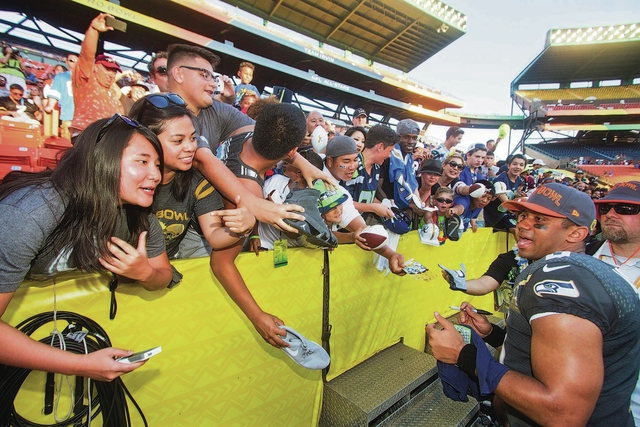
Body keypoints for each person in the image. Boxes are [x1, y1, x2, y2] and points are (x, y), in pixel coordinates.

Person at [427, 183, 640, 427]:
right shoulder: (582, 268)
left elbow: (564, 414)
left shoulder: (560, 276)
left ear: (575, 234)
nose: (523, 225)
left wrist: (462, 355)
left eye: (539, 220)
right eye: (522, 216)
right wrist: (494, 334)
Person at [0, 115, 173, 381]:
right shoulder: (30, 213)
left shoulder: (138, 213)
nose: (156, 175)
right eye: (142, 161)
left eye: (158, 165)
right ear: (100, 160)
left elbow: (163, 273)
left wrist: (144, 274)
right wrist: (80, 365)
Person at [166, 43, 331, 235]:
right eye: (204, 75)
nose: (212, 83)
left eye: (213, 76)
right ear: (178, 74)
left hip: (191, 220)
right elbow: (202, 159)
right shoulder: (159, 111)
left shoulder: (215, 110)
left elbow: (267, 131)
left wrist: (303, 163)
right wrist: (256, 204)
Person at [129, 93, 255, 260]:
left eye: (193, 138)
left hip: (163, 267)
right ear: (147, 140)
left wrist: (242, 228)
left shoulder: (198, 182)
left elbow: (215, 237)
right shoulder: (123, 178)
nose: (190, 147)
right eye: (178, 141)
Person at [322, 135, 406, 271]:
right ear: (330, 161)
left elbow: (363, 230)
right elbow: (315, 234)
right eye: (346, 161)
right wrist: (351, 237)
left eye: (355, 160)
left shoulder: (341, 192)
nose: (353, 166)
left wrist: (390, 254)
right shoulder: (312, 180)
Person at [70, 13, 124, 135]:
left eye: (114, 72)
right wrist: (94, 30)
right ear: (95, 68)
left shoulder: (114, 97)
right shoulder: (86, 81)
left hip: (107, 140)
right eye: (107, 69)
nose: (111, 74)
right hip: (87, 134)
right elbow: (86, 55)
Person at [344, 124, 395, 221]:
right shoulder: (353, 166)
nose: (389, 156)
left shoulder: (376, 167)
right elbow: (344, 202)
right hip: (342, 229)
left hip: (359, 226)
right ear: (380, 147)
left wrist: (384, 205)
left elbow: (366, 198)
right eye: (390, 151)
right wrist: (374, 208)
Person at [379, 119, 422, 213]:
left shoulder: (410, 159)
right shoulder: (388, 156)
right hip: (386, 209)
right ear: (398, 137)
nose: (411, 141)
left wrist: (418, 203)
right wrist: (388, 204)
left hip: (402, 211)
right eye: (407, 137)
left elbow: (412, 185)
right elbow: (377, 186)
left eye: (414, 138)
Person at [482, 154, 527, 232]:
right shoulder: (501, 179)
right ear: (509, 165)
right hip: (490, 217)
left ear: (524, 168)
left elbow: (514, 194)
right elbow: (503, 198)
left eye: (521, 165)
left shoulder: (519, 180)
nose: (517, 167)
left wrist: (518, 196)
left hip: (503, 215)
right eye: (514, 164)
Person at [44, 54, 77, 140]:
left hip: (85, 118)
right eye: (71, 60)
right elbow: (55, 93)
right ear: (66, 62)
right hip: (68, 115)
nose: (74, 63)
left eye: (77, 61)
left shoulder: (88, 77)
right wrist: (50, 105)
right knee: (68, 143)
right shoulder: (61, 77)